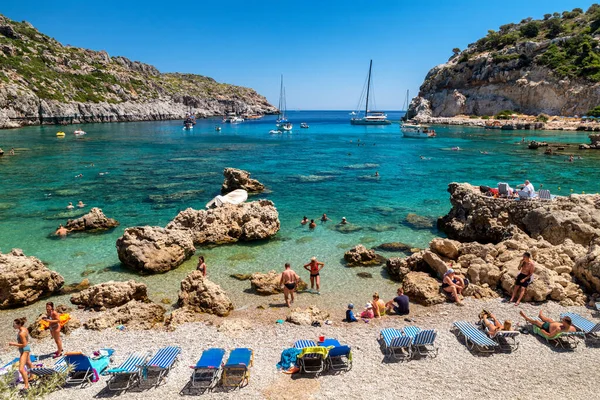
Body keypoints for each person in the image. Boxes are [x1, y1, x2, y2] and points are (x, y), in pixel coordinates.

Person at [8, 317, 33, 392]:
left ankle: (26, 386)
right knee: (28, 363)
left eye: (14, 324)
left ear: (19, 324)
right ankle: (32, 376)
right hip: (26, 349)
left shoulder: (21, 333)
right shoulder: (24, 329)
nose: (13, 325)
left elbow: (24, 344)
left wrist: (13, 344)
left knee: (21, 369)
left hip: (24, 350)